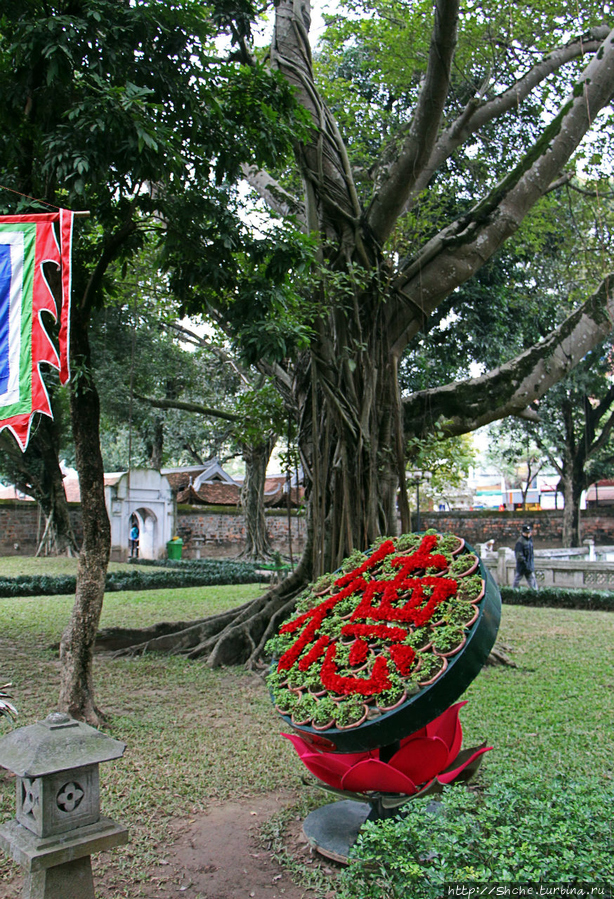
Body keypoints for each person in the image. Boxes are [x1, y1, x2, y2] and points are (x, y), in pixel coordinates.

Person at [513, 524, 537, 589]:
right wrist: (525, 563)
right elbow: (519, 555)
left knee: (532, 581)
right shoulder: (520, 541)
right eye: (527, 533)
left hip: (529, 565)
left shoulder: (529, 541)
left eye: (529, 532)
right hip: (522, 565)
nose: (528, 534)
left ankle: (535, 593)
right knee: (517, 579)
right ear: (523, 533)